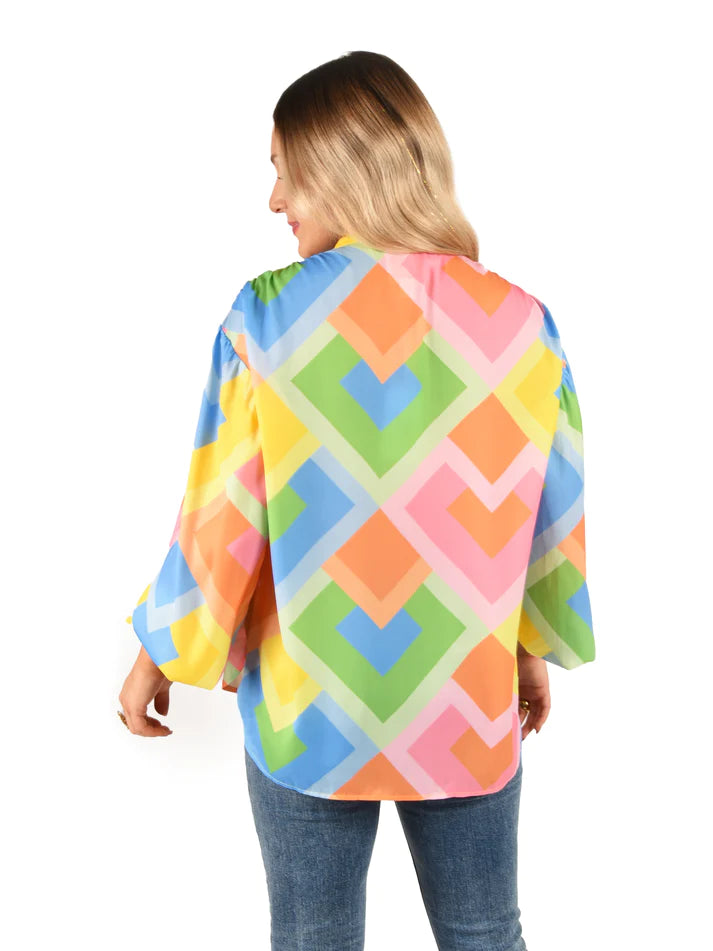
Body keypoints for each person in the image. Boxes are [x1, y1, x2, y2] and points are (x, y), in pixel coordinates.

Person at [119, 49, 595, 951]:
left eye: (283, 169)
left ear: (339, 164)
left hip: (311, 707)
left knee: (313, 937)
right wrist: (528, 647)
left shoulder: (265, 318)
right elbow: (549, 507)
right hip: (462, 699)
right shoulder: (520, 321)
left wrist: (160, 651)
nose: (273, 200)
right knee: (485, 932)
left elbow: (222, 514)